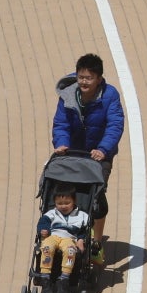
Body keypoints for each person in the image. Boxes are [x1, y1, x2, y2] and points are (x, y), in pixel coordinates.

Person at [52, 52, 123, 261]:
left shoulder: (110, 96)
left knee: (96, 197)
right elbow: (61, 123)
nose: (84, 81)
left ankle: (97, 242)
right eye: (81, 77)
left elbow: (115, 125)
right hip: (71, 154)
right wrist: (61, 143)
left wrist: (103, 149)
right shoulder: (68, 95)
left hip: (99, 155)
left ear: (99, 79)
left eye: (89, 78)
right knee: (66, 192)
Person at [36, 187, 90, 293]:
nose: (63, 206)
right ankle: (45, 279)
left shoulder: (82, 216)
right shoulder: (51, 214)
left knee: (70, 251)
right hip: (53, 236)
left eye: (67, 203)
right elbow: (42, 224)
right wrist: (43, 231)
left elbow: (85, 230)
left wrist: (80, 240)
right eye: (59, 203)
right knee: (47, 248)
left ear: (74, 201)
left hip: (69, 239)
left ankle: (64, 280)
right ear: (54, 203)